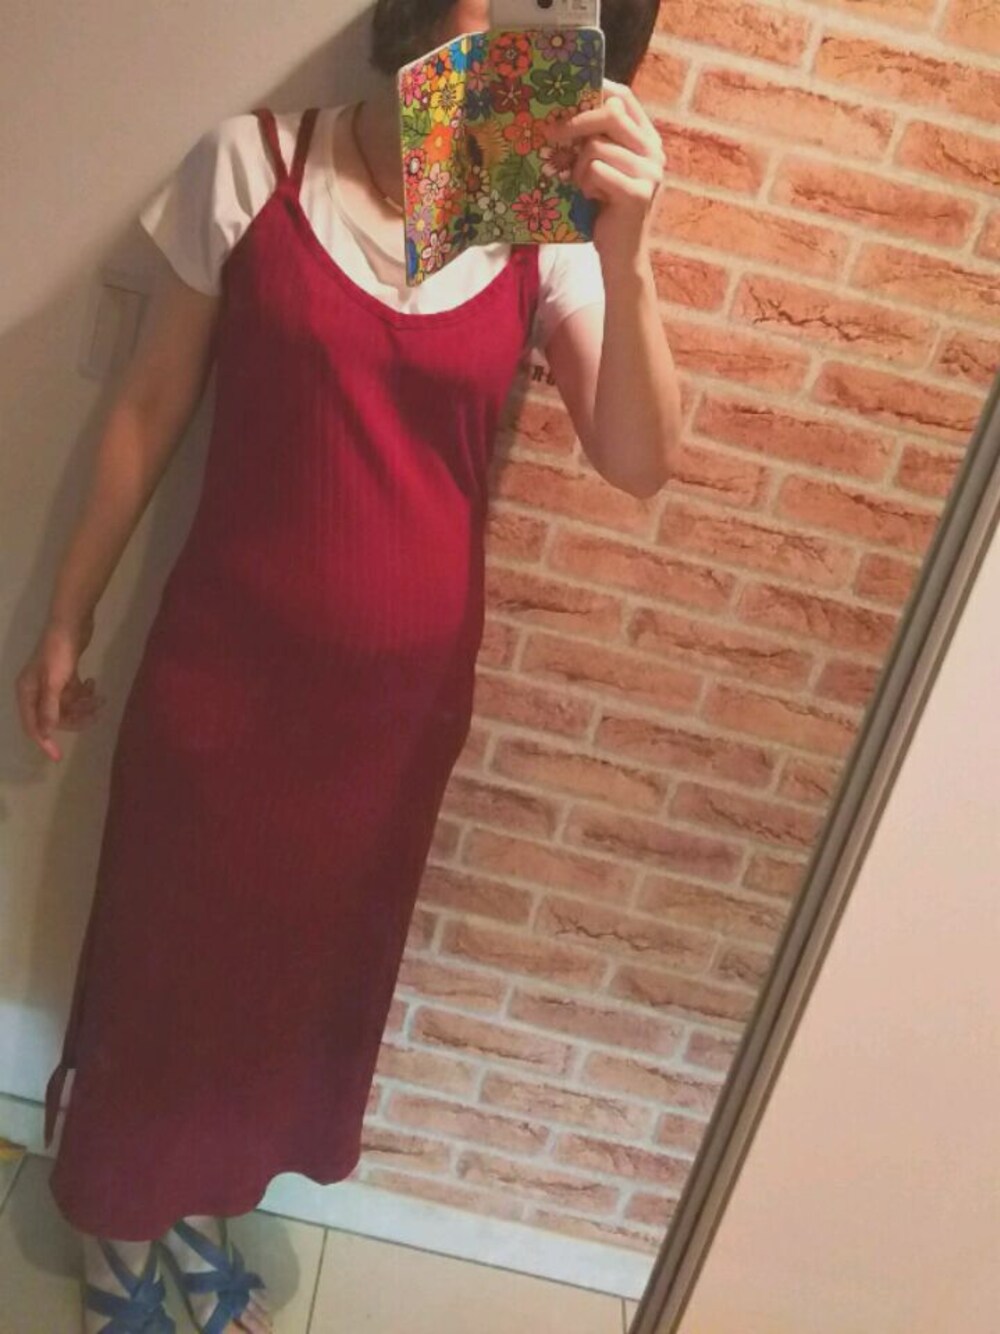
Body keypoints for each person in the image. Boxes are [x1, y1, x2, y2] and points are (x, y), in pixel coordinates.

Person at [14, 1, 679, 1330]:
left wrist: (632, 247)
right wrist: (67, 611)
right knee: (165, 967)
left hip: (393, 723)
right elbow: (151, 403)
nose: (504, 47)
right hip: (222, 688)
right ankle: (115, 1242)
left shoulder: (538, 231)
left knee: (291, 992)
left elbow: (639, 457)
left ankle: (198, 1206)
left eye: (553, 19)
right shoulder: (252, 165)